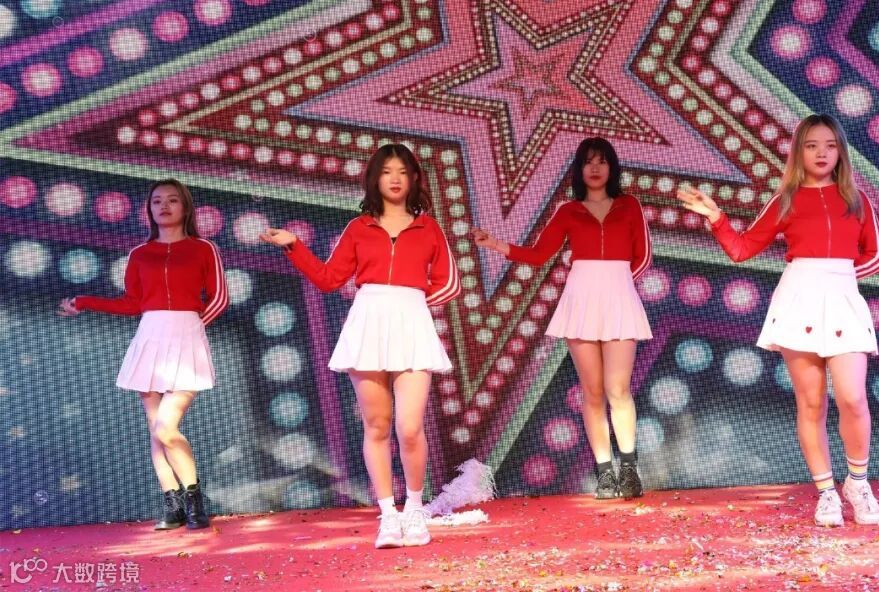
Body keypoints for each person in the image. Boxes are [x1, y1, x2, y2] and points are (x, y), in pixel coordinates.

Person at [677, 114, 879, 526]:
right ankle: (826, 493)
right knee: (811, 403)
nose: (821, 153)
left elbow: (877, 256)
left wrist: (837, 278)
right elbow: (741, 250)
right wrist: (716, 217)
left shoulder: (857, 199)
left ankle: (858, 484)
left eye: (829, 145)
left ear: (841, 152)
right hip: (798, 304)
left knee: (852, 398)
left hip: (843, 302)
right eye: (811, 145)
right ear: (798, 152)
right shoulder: (785, 200)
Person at [261, 143, 460, 548]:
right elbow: (329, 279)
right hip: (368, 323)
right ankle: (388, 516)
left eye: (402, 171)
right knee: (377, 425)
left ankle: (414, 510)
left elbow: (449, 283)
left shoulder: (429, 228)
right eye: (386, 171)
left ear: (414, 178)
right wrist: (294, 245)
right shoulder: (358, 227)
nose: (395, 179)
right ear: (374, 179)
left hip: (411, 325)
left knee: (409, 427)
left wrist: (412, 303)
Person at [472, 137, 652, 500]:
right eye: (588, 162)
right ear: (579, 169)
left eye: (602, 161)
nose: (595, 168)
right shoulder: (568, 211)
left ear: (612, 167)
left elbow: (643, 256)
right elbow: (539, 254)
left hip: (619, 300)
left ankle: (629, 469)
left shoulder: (629, 205)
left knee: (618, 389)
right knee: (592, 391)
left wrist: (616, 285)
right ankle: (605, 472)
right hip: (580, 301)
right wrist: (496, 244)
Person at [59, 179, 228, 531]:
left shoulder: (203, 248)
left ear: (186, 207)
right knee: (156, 430)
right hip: (150, 339)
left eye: (172, 200)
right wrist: (85, 302)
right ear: (149, 210)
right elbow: (132, 303)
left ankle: (195, 498)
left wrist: (193, 328)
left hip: (186, 340)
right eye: (156, 201)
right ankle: (174, 504)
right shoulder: (139, 253)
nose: (164, 206)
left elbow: (219, 299)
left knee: (167, 427)